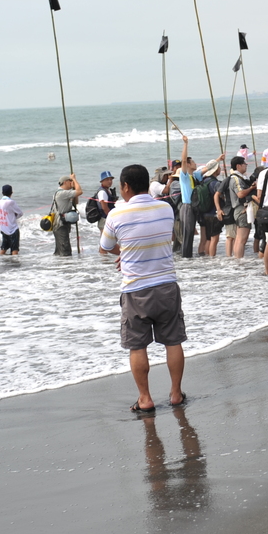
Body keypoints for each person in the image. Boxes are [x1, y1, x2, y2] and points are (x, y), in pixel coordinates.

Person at [99, 163, 188, 413]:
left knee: (137, 346)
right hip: (167, 285)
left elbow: (105, 247)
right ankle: (176, 393)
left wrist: (125, 253)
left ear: (126, 186)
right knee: (173, 341)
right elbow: (165, 237)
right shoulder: (165, 208)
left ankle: (145, 398)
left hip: (136, 289)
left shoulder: (116, 214)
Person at [176, 136, 223, 259]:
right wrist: (185, 144)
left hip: (194, 207)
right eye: (193, 162)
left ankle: (191, 257)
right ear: (188, 164)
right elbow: (183, 160)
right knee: (187, 233)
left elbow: (209, 167)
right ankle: (186, 258)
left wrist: (219, 159)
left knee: (191, 233)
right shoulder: (184, 176)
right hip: (187, 206)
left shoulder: (195, 175)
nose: (195, 163)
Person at [219, 155, 253, 258]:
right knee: (241, 239)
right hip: (241, 209)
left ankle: (236, 260)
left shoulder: (238, 178)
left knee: (239, 239)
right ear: (238, 166)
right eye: (244, 164)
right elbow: (240, 194)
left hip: (238, 210)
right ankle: (239, 260)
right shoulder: (236, 179)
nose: (246, 165)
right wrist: (251, 188)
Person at [51, 174, 82, 257]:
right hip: (60, 224)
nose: (71, 182)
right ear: (65, 182)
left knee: (60, 249)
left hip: (62, 223)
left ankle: (61, 263)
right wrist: (74, 179)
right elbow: (80, 191)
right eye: (70, 181)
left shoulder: (64, 193)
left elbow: (76, 202)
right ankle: (65, 264)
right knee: (65, 250)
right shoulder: (62, 193)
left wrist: (74, 189)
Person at [0, 184, 23, 256]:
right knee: (14, 250)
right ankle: (15, 262)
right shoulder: (11, 202)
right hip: (12, 229)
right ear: (11, 192)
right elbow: (20, 213)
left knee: (3, 248)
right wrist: (13, 217)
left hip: (4, 228)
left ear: (2, 193)